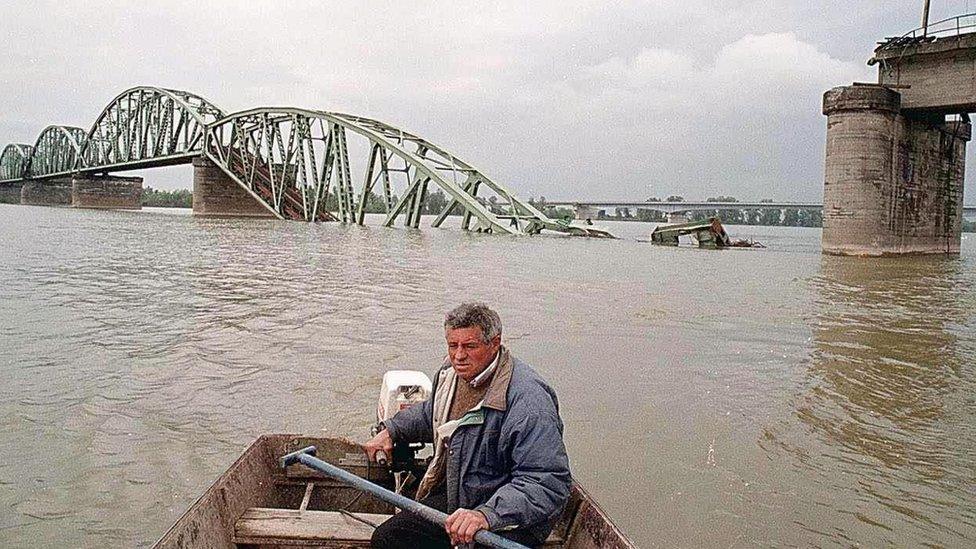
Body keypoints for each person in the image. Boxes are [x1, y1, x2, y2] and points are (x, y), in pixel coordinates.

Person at [364, 303, 571, 548]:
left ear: (495, 343)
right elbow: (430, 413)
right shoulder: (450, 375)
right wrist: (392, 430)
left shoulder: (529, 402)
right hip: (459, 495)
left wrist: (486, 515)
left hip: (510, 520)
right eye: (453, 345)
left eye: (470, 346)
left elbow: (546, 481)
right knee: (389, 538)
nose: (459, 355)